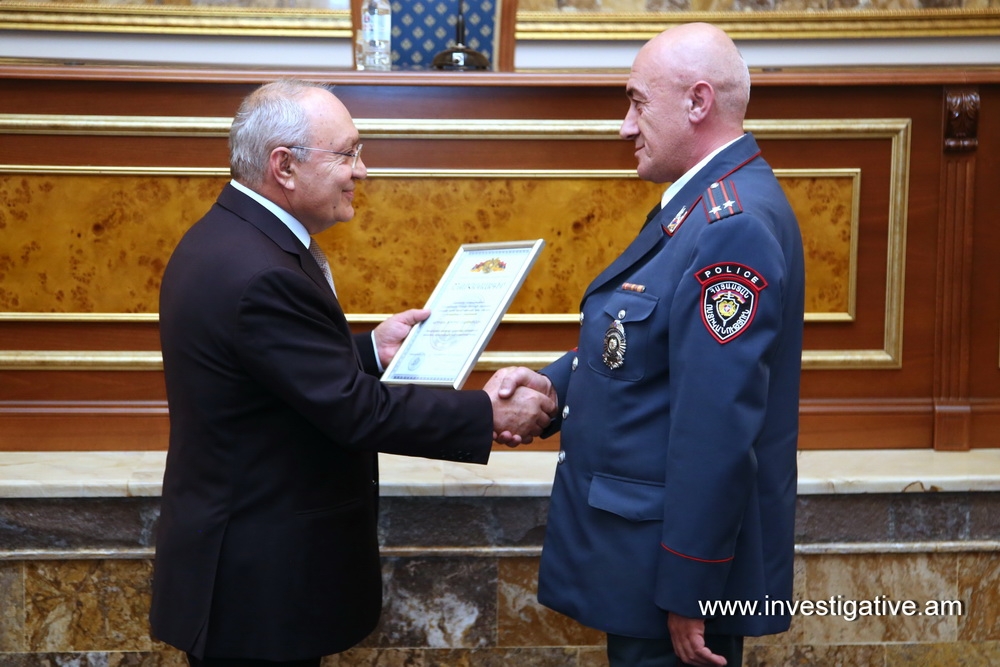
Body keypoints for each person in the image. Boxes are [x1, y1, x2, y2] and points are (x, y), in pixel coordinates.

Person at [149, 79, 555, 666]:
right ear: (284, 166)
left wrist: (369, 352)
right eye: (347, 154)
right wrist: (486, 412)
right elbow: (354, 410)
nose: (361, 171)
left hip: (246, 568)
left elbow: (274, 372)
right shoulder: (262, 270)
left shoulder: (230, 238)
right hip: (256, 587)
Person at [495, 22, 805, 667]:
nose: (625, 127)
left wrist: (693, 586)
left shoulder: (732, 225)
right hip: (644, 562)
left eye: (637, 103)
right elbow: (650, 345)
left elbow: (716, 427)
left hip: (675, 579)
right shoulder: (700, 204)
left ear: (697, 102)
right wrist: (552, 384)